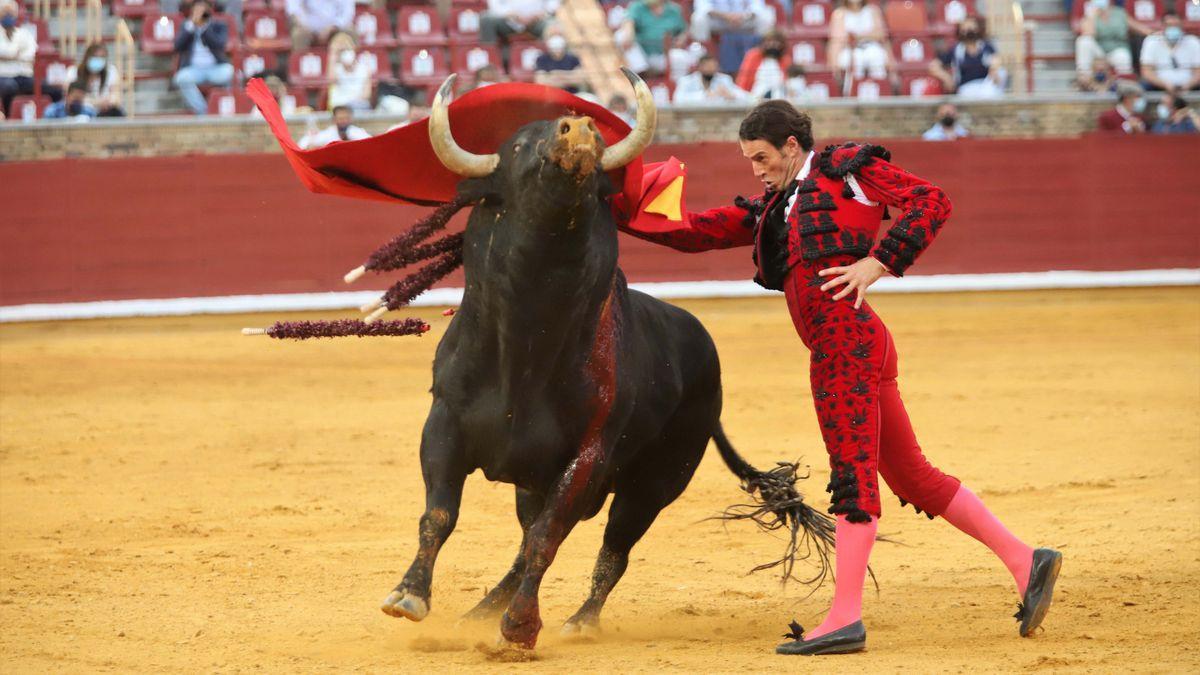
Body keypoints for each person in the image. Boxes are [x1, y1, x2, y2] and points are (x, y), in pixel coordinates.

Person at [618, 99, 1062, 656]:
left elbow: (931, 201)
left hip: (845, 346)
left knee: (852, 471)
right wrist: (619, 211)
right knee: (914, 477)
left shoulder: (844, 170)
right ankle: (1027, 561)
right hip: (849, 344)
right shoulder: (777, 204)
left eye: (761, 158)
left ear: (791, 147)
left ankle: (845, 617)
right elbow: (699, 231)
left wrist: (878, 263)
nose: (755, 170)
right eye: (748, 160)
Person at [172, 0, 234, 115]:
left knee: (230, 73)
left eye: (203, 10)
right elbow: (177, 47)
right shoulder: (186, 26)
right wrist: (191, 27)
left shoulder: (218, 25)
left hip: (216, 68)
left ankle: (226, 110)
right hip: (194, 70)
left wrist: (204, 28)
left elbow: (219, 45)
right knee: (181, 78)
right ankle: (204, 111)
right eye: (197, 10)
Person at [1074, 0, 1153, 80]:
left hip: (1117, 50)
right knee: (1083, 41)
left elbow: (1139, 28)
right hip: (1098, 52)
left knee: (1122, 56)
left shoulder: (1120, 13)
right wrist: (1093, 16)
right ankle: (1084, 78)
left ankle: (1124, 82)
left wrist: (1153, 33)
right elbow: (1089, 33)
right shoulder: (1090, 15)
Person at [929, 15, 1004, 99]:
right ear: (960, 31)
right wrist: (946, 78)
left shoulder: (986, 47)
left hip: (986, 86)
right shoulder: (956, 50)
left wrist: (994, 69)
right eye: (965, 28)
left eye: (971, 28)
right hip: (966, 88)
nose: (969, 31)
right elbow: (933, 66)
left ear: (977, 29)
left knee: (1001, 74)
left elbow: (996, 60)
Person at [692, 0, 774, 73]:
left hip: (743, 20)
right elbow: (703, 7)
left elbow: (757, 7)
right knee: (698, 18)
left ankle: (765, 54)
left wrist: (742, 16)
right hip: (718, 20)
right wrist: (726, 16)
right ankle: (702, 55)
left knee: (766, 16)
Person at [828, 0, 892, 87]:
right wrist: (833, 66)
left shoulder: (873, 10)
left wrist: (858, 36)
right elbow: (837, 40)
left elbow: (880, 34)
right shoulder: (839, 13)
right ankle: (852, 93)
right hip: (848, 49)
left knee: (876, 57)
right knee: (856, 60)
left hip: (871, 47)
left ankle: (880, 92)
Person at [618, 0, 688, 76]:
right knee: (620, 35)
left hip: (662, 54)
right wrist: (629, 33)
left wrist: (681, 39)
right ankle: (640, 74)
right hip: (643, 54)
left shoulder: (674, 9)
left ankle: (675, 85)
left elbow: (683, 30)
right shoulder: (638, 6)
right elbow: (628, 21)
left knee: (681, 57)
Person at [1139, 11, 1200, 91]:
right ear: (1162, 26)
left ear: (1182, 26)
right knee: (1142, 86)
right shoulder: (1151, 41)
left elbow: (1198, 72)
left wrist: (1188, 85)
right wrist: (1165, 85)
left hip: (1188, 85)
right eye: (1169, 25)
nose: (1173, 28)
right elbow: (1146, 72)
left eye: (1176, 25)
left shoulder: (1193, 41)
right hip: (1159, 85)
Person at [65, 42, 125, 117]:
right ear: (87, 57)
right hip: (80, 112)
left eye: (102, 57)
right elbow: (71, 98)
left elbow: (116, 97)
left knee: (116, 112)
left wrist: (109, 102)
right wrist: (97, 103)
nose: (98, 60)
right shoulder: (73, 72)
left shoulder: (111, 71)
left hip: (103, 113)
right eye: (95, 56)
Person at [0, 0, 36, 118]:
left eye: (11, 13)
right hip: (2, 76)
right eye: (5, 12)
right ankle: (9, 118)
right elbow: (8, 52)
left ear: (15, 14)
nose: (8, 16)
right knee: (10, 86)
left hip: (22, 75)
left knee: (45, 87)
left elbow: (30, 54)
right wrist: (15, 54)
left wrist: (8, 57)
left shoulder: (24, 33)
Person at [673, 53, 753, 104]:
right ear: (700, 67)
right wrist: (705, 95)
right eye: (708, 67)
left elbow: (747, 97)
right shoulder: (686, 81)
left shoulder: (724, 79)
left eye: (714, 67)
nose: (711, 69)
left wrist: (732, 95)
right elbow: (677, 99)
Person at [736, 29, 791, 98]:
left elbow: (788, 81)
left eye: (776, 42)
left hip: (779, 96)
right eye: (769, 41)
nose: (772, 45)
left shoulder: (785, 60)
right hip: (754, 95)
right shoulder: (753, 55)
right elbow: (744, 77)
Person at [326, 31, 372, 112]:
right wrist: (333, 55)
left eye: (347, 49)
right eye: (341, 51)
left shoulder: (363, 68)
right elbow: (331, 80)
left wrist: (354, 102)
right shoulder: (336, 69)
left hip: (359, 106)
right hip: (339, 106)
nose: (345, 53)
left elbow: (366, 95)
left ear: (354, 49)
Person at [481, 0, 558, 45]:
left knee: (553, 26)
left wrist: (540, 13)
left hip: (537, 20)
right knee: (486, 19)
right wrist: (510, 14)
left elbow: (553, 4)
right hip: (509, 20)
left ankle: (546, 62)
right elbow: (494, 5)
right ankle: (491, 58)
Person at [287, 0, 355, 50]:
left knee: (350, 31)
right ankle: (299, 67)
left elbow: (347, 13)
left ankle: (351, 67)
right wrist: (304, 26)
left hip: (335, 28)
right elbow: (294, 10)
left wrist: (333, 27)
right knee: (299, 35)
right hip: (307, 28)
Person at [298, 104, 370, 149]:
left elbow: (370, 143)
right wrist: (310, 145)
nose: (344, 121)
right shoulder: (328, 134)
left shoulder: (357, 132)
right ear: (334, 120)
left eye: (346, 118)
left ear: (351, 119)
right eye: (341, 119)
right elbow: (303, 144)